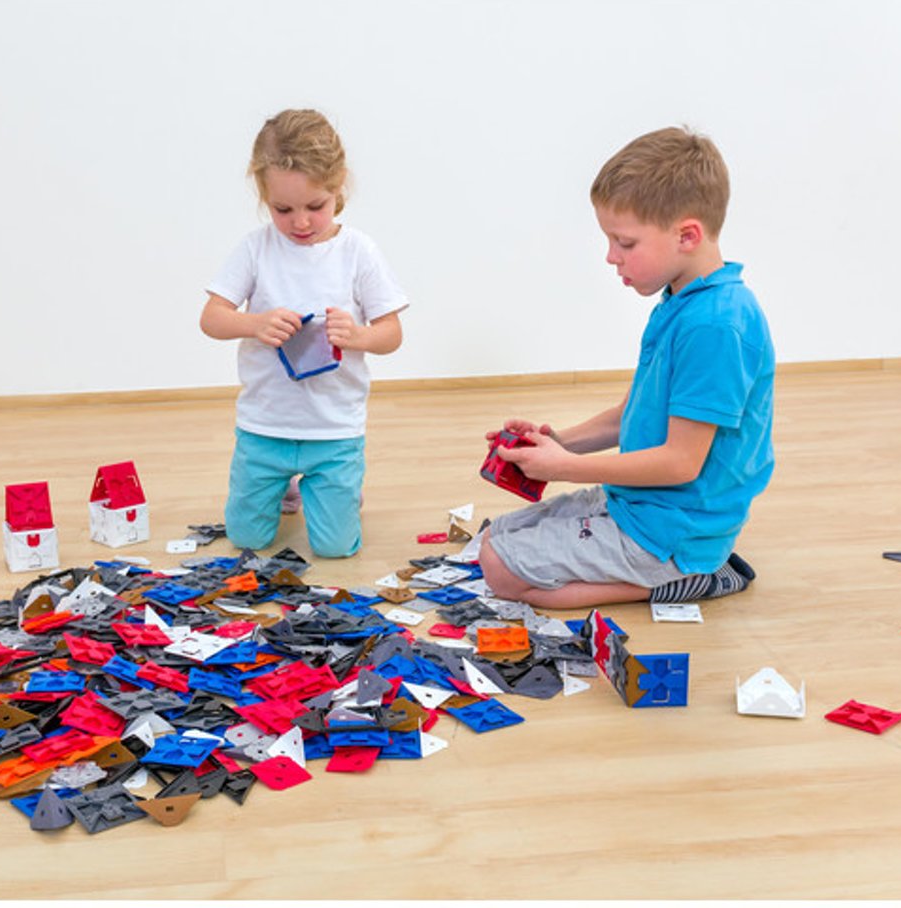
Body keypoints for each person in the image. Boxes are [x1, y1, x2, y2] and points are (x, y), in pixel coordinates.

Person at [479, 126, 774, 610]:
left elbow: (681, 462)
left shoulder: (716, 326)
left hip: (675, 528)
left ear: (687, 235)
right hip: (641, 502)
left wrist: (567, 468)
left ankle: (690, 577)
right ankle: (675, 566)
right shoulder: (681, 300)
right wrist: (556, 443)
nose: (611, 257)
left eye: (625, 242)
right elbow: (627, 416)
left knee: (500, 570)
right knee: (495, 537)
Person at [200, 109, 408, 558]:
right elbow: (212, 318)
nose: (300, 222)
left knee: (335, 548)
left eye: (316, 206)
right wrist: (255, 323)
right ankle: (289, 487)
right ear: (264, 196)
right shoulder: (256, 248)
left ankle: (333, 490)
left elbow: (391, 333)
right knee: (247, 539)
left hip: (333, 431)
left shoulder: (358, 252)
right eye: (283, 209)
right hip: (264, 427)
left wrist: (357, 335)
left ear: (339, 187)